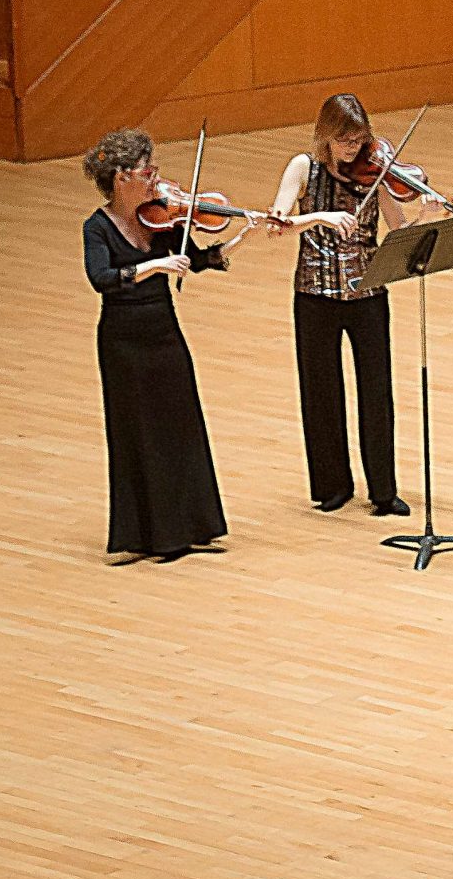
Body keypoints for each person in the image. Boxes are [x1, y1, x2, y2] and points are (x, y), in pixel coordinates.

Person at [81, 129, 237, 562]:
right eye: (146, 172)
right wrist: (155, 265)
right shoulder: (97, 228)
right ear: (120, 178)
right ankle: (146, 536)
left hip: (164, 333)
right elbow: (102, 279)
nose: (155, 179)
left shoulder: (161, 219)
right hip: (123, 341)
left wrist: (240, 237)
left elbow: (197, 259)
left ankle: (194, 527)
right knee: (136, 432)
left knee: (181, 425)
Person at [267, 93, 421, 517]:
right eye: (344, 141)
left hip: (368, 294)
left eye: (359, 140)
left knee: (377, 391)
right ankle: (332, 486)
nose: (353, 149)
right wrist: (319, 218)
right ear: (326, 136)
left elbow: (398, 228)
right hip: (314, 294)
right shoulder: (304, 167)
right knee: (321, 390)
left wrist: (424, 212)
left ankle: (383, 490)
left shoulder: (375, 172)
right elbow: (276, 224)